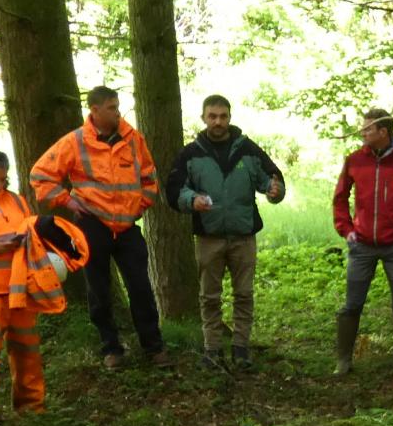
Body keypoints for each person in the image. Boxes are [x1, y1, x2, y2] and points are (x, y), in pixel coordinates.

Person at [31, 86, 167, 369]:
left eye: (118, 107)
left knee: (141, 287)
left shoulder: (133, 139)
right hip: (92, 226)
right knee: (99, 290)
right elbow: (41, 176)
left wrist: (137, 208)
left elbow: (150, 180)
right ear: (94, 110)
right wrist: (67, 201)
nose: (118, 113)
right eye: (112, 107)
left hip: (128, 228)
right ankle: (111, 349)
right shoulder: (75, 142)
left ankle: (154, 347)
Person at [167, 95, 286, 370]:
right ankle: (212, 350)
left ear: (230, 117)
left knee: (244, 294)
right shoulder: (191, 153)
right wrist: (190, 199)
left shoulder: (248, 149)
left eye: (222, 116)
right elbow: (173, 189)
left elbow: (272, 179)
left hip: (243, 235)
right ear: (203, 118)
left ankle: (241, 348)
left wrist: (274, 191)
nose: (218, 121)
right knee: (209, 296)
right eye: (212, 116)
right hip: (208, 237)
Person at [332, 107, 393, 375]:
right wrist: (346, 229)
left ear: (383, 132)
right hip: (361, 246)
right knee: (352, 304)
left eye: (368, 129)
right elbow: (339, 198)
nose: (362, 132)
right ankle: (344, 359)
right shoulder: (354, 160)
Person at [0, 151, 49, 426]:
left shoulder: (16, 200)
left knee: (28, 351)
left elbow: (32, 233)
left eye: (4, 179)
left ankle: (32, 408)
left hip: (20, 290)